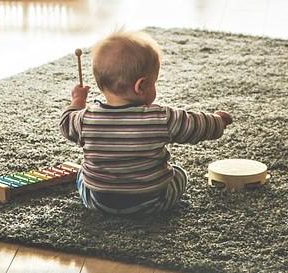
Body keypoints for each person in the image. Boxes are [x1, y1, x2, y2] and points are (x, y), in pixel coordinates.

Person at [59, 30, 232, 215]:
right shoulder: (161, 118)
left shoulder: (84, 119)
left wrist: (77, 101)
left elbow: (65, 123)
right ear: (141, 86)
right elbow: (196, 125)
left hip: (99, 201)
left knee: (81, 174)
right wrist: (219, 121)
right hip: (153, 201)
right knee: (179, 174)